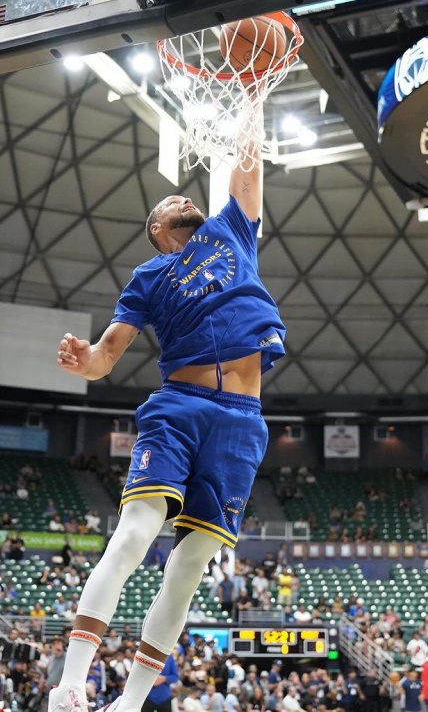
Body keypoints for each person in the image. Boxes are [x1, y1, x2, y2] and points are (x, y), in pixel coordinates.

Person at [50, 86, 285, 712]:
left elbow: (247, 158)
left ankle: (128, 702)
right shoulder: (147, 278)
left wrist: (253, 91)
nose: (184, 197)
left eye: (189, 197)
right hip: (179, 406)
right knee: (134, 535)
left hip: (243, 420)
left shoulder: (232, 229)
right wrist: (86, 361)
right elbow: (107, 356)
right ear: (157, 230)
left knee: (190, 565)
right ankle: (70, 683)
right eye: (171, 201)